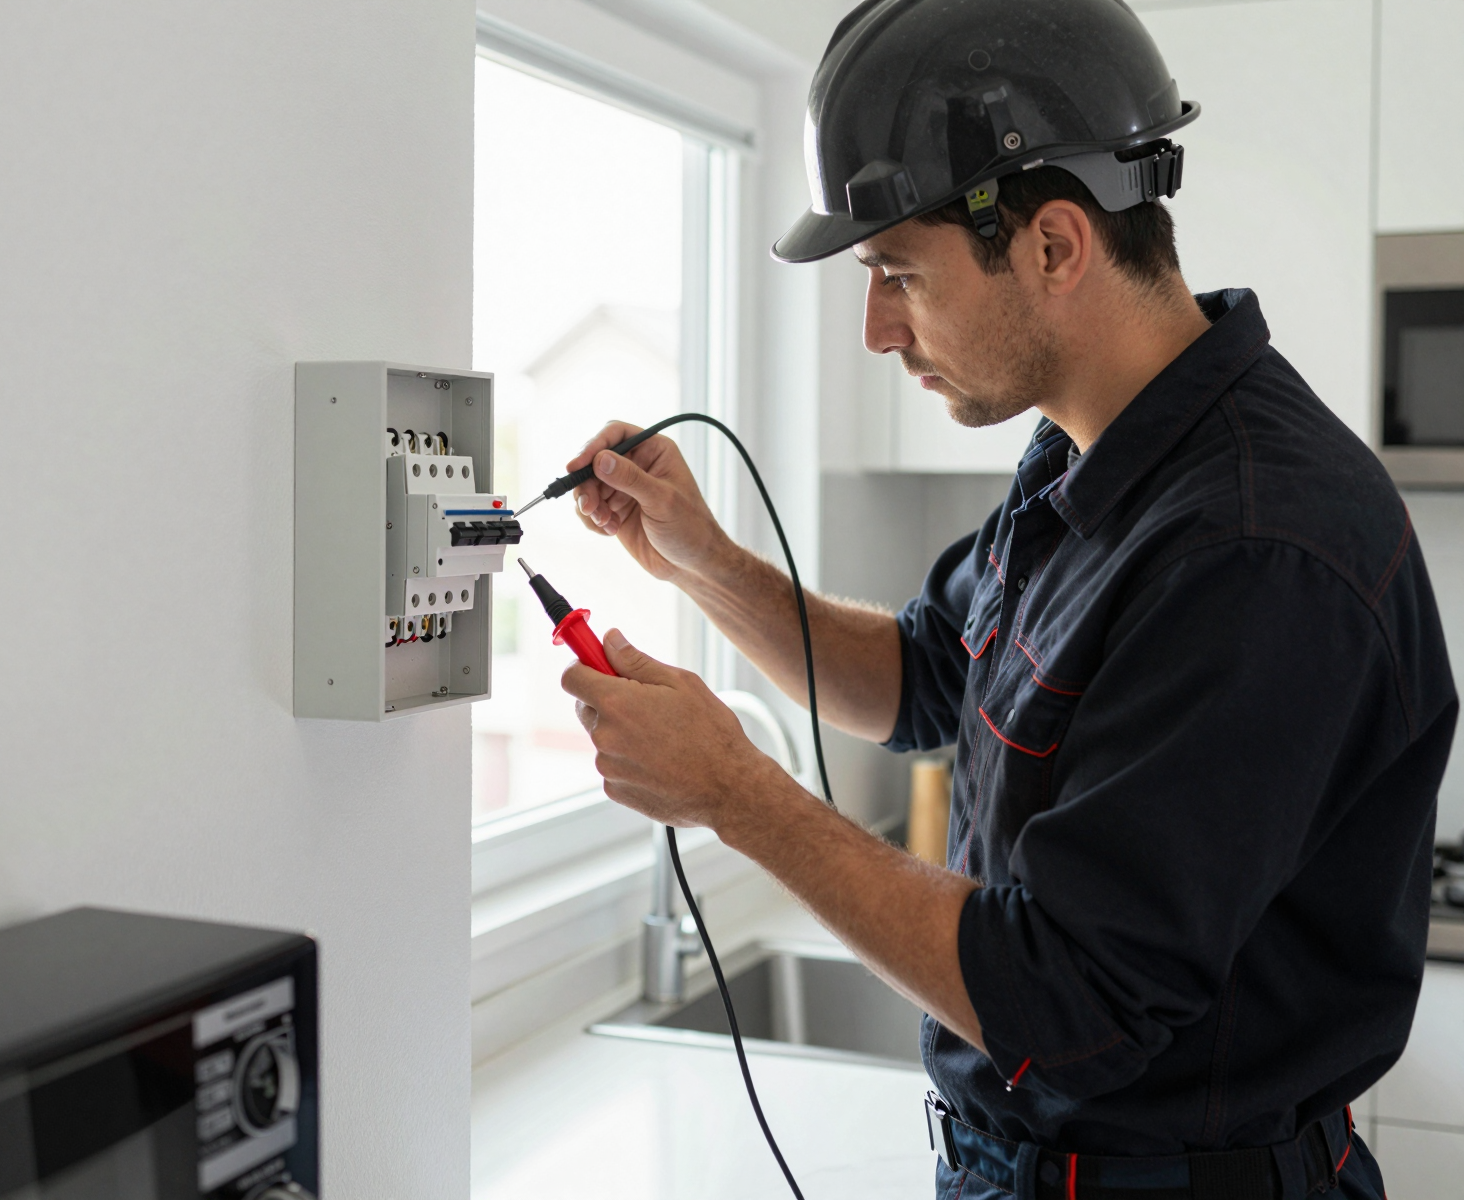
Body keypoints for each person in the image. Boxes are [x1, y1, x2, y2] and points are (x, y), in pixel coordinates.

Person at [557, 1, 1456, 1197]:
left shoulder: (1252, 548)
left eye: (894, 275)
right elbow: (931, 676)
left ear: (1052, 245)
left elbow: (1067, 1000)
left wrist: (733, 791)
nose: (876, 330)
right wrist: (700, 558)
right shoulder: (1094, 453)